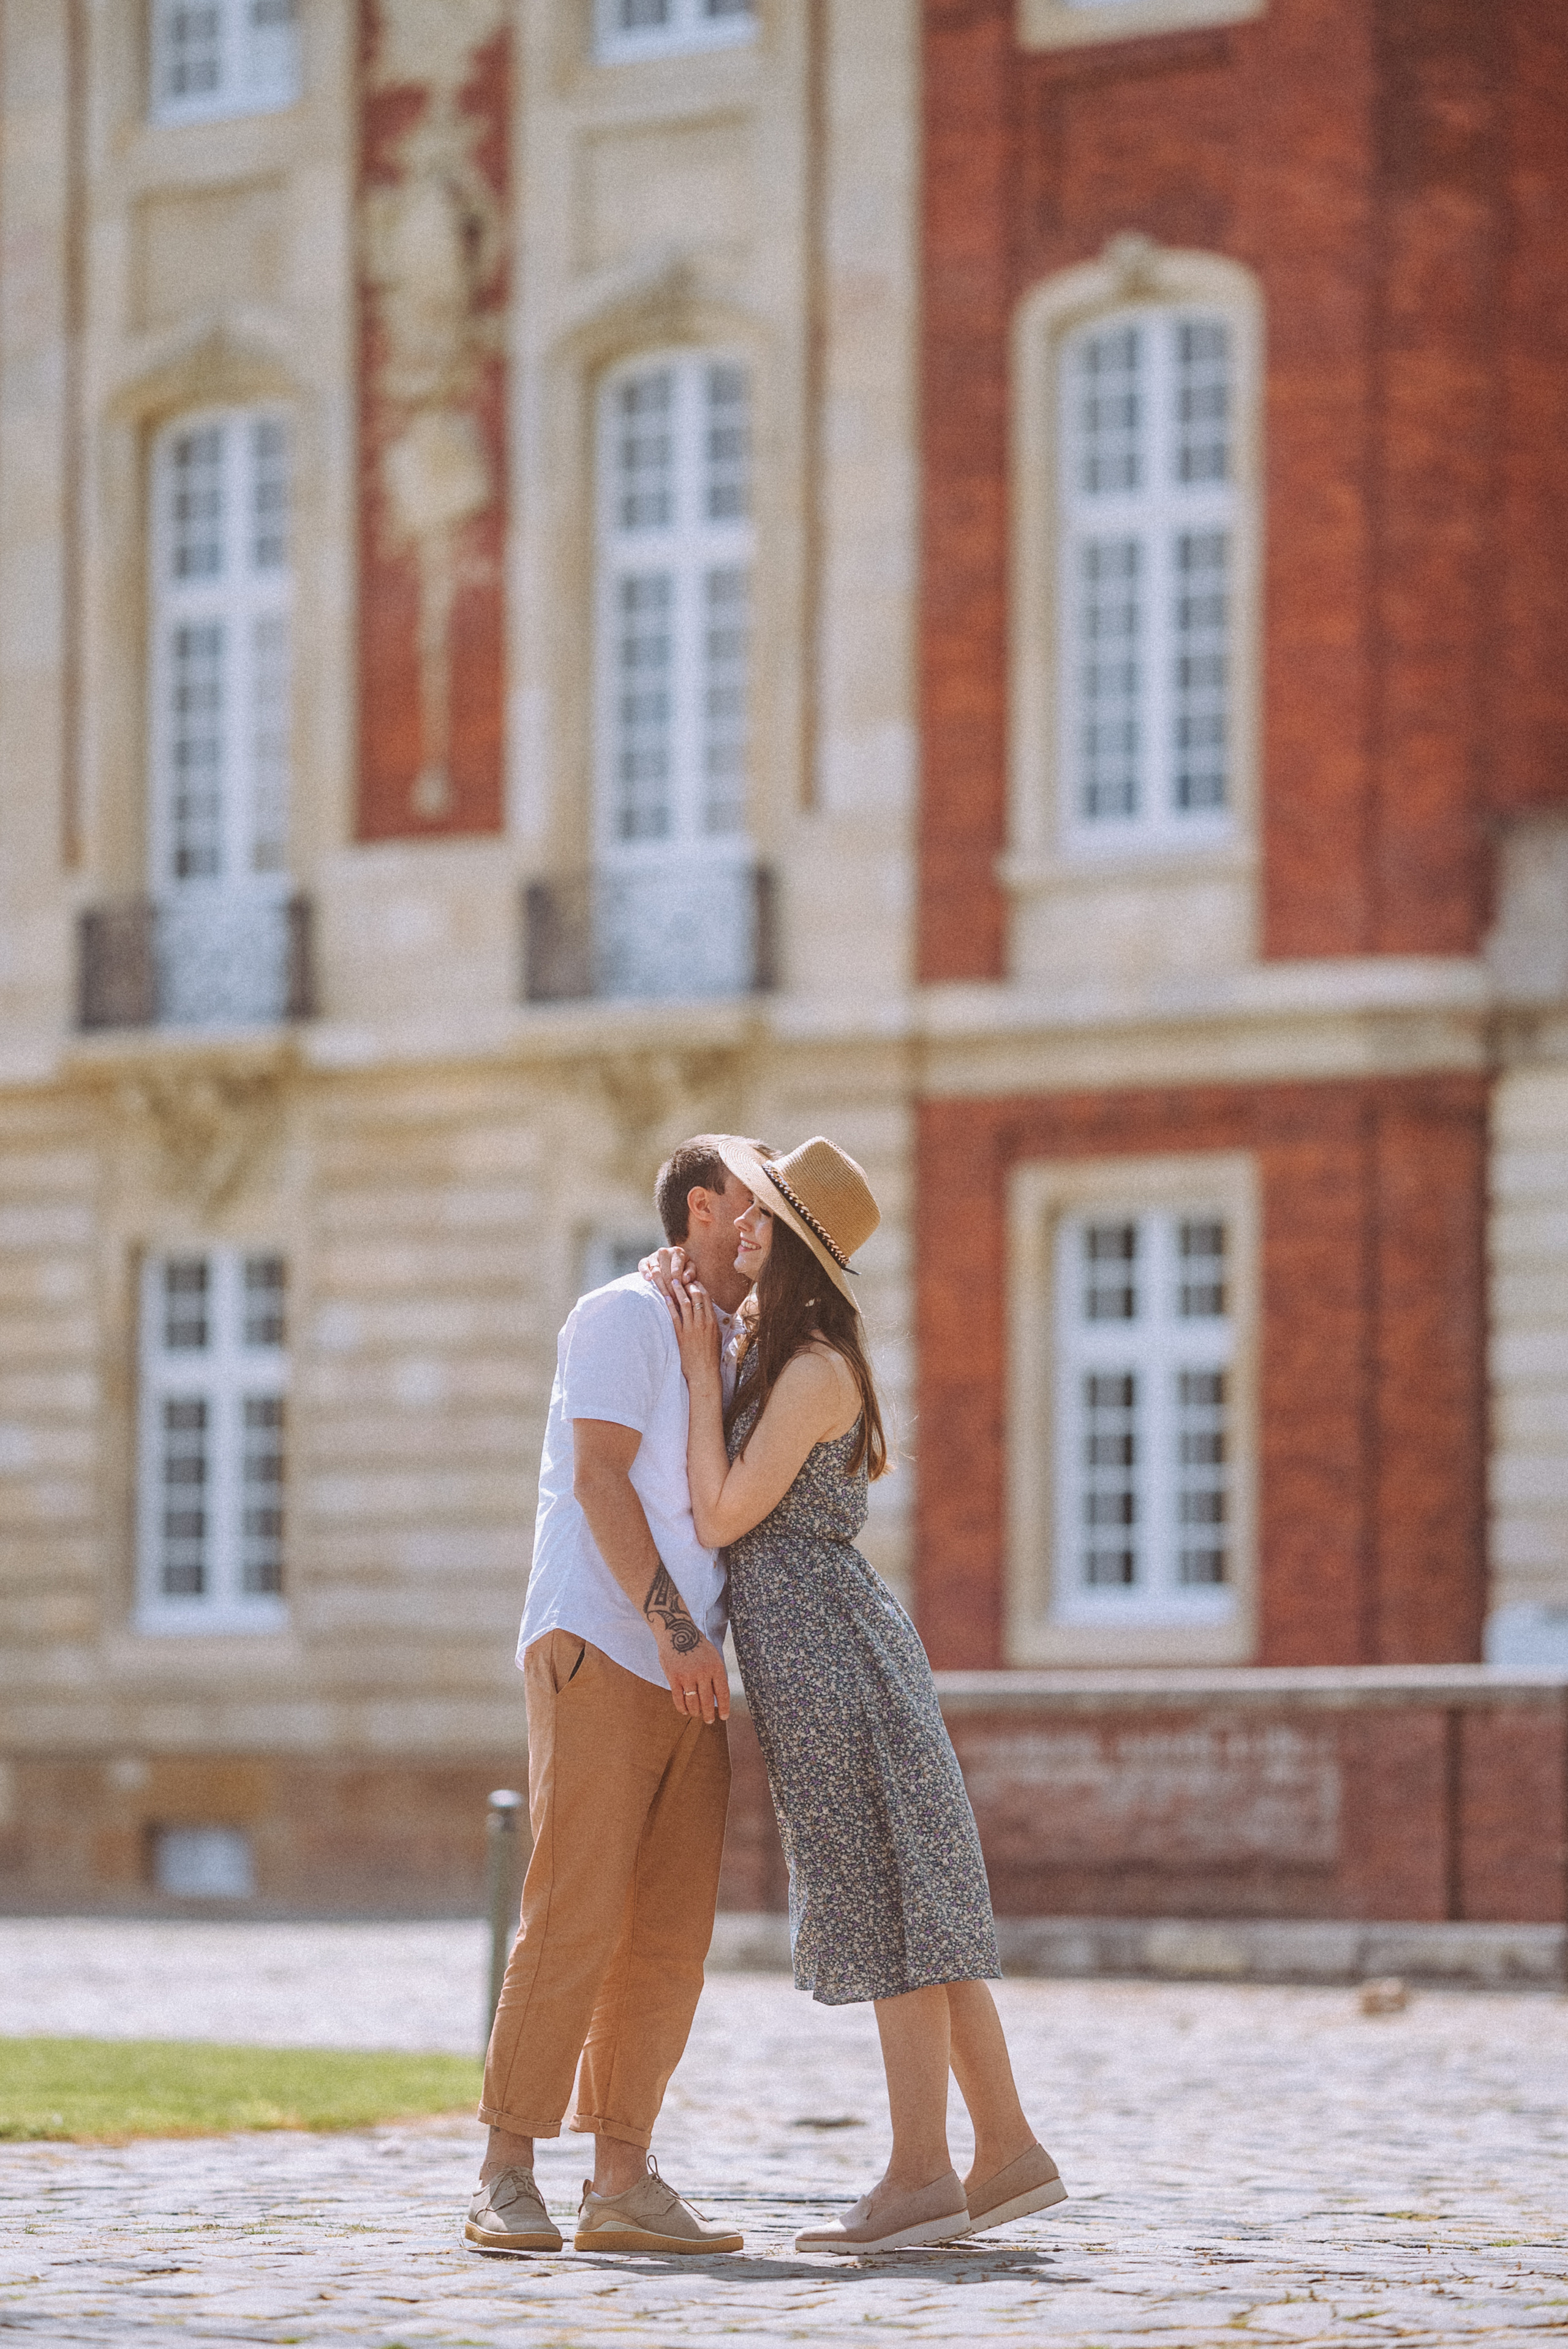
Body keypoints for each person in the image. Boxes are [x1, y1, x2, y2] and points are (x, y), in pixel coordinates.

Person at [660, 1135, 1067, 2255]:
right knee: (920, 1906)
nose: (742, 1227)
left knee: (898, 1914)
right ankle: (1008, 2149)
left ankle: (920, 2173)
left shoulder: (812, 1372)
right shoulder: (787, 1349)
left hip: (839, 1664)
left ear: (794, 1246)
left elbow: (723, 1513)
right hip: (829, 1661)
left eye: (763, 1218)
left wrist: (702, 1382)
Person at [465, 1137, 764, 2259]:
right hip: (605, 1641)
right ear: (701, 1207)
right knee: (575, 1910)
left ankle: (623, 2181)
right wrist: (675, 1628)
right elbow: (597, 1478)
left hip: (691, 1671)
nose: (764, 1220)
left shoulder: (724, 1343)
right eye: (753, 1198)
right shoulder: (618, 1316)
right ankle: (505, 2168)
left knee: (669, 1937)